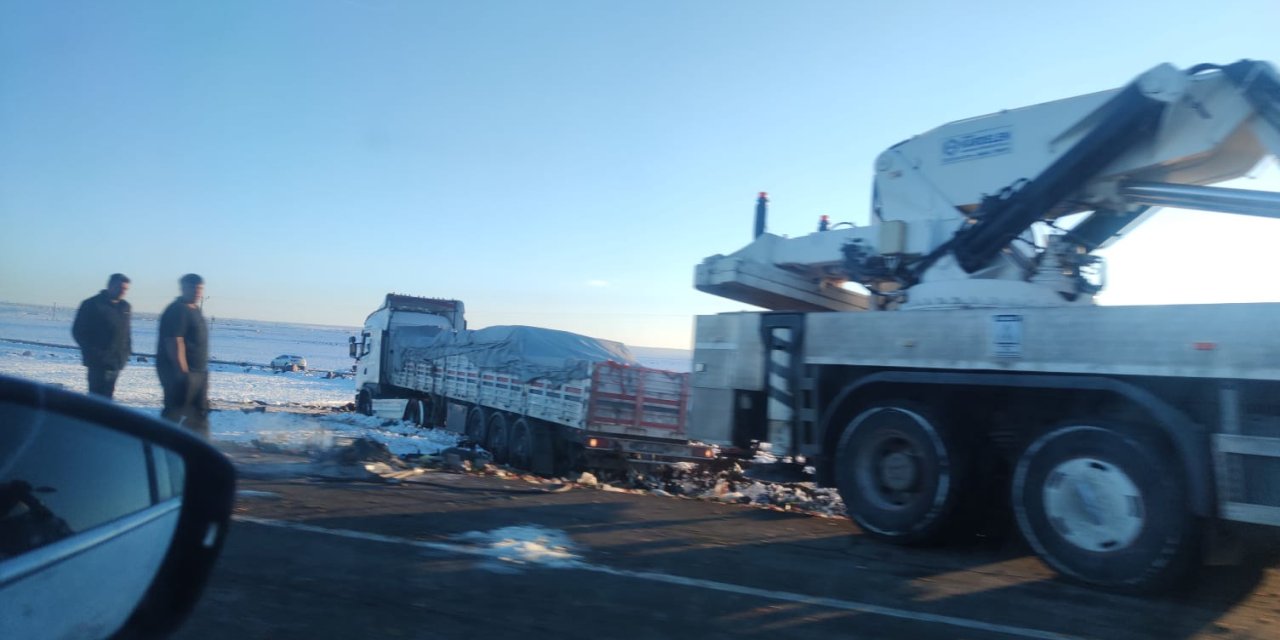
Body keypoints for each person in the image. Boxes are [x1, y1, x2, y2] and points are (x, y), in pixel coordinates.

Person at [157, 274, 210, 437]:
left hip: (198, 372)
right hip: (180, 374)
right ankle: (162, 444)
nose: (197, 292)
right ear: (183, 288)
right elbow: (174, 342)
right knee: (174, 413)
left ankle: (197, 446)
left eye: (199, 288)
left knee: (199, 413)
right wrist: (183, 373)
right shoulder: (177, 310)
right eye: (193, 288)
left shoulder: (195, 309)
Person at [71, 274, 132, 398]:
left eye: (125, 289)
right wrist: (95, 354)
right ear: (110, 285)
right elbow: (78, 331)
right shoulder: (92, 304)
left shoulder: (125, 307)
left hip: (116, 362)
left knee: (108, 397)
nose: (122, 291)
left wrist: (126, 353)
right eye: (120, 287)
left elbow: (126, 333)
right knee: (96, 399)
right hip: (98, 364)